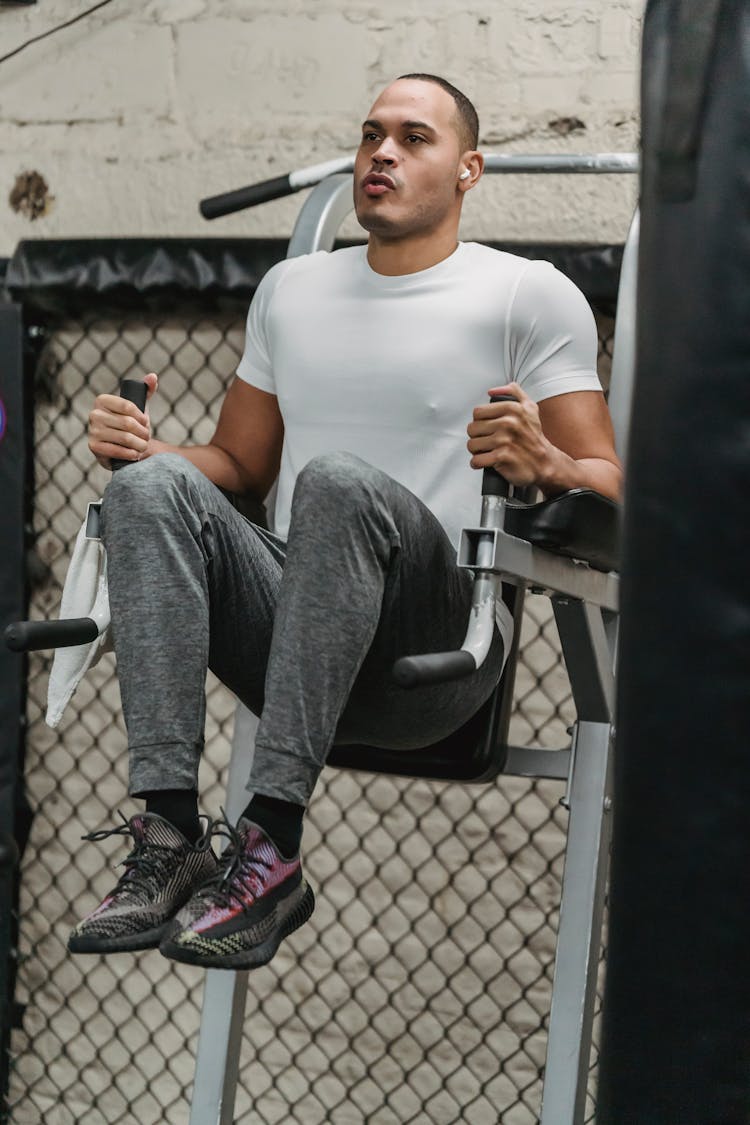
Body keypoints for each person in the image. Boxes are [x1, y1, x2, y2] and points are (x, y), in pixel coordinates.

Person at [71, 73, 622, 969]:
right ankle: (171, 833)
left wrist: (548, 466)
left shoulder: (526, 293)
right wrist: (145, 447)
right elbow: (239, 470)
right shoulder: (292, 290)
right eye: (371, 136)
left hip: (431, 656)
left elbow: (611, 485)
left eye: (414, 137)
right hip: (290, 637)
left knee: (334, 481)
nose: (384, 154)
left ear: (469, 168)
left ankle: (272, 838)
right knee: (144, 488)